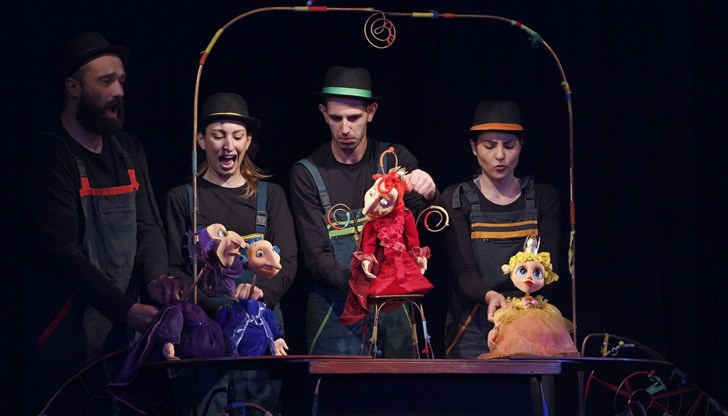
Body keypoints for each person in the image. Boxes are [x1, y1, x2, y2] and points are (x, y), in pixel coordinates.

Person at [22, 32, 188, 415]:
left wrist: (156, 279)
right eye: (106, 81)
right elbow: (62, 252)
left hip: (120, 330)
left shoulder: (128, 149)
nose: (119, 92)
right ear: (73, 87)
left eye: (122, 81)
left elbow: (148, 225)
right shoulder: (52, 153)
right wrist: (127, 309)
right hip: (68, 328)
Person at [289, 66, 438, 356]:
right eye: (336, 118)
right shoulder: (307, 172)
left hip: (394, 306)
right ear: (323, 113)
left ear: (371, 112)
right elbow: (317, 257)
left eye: (354, 118)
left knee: (400, 383)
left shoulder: (395, 160)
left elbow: (423, 227)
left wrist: (431, 195)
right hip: (335, 311)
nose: (345, 128)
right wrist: (365, 287)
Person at [164, 92, 296, 414]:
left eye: (237, 136)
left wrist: (262, 293)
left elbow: (289, 262)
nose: (228, 145)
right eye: (218, 135)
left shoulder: (271, 196)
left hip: (258, 329)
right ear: (201, 140)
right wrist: (217, 306)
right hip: (204, 331)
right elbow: (175, 268)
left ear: (248, 141)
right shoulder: (183, 199)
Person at [443, 100, 562, 360]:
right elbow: (464, 272)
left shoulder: (543, 197)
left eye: (509, 145)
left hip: (531, 319)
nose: (500, 155)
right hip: (474, 322)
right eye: (489, 146)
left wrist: (519, 310)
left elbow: (550, 269)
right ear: (473, 147)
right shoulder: (457, 198)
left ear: (521, 146)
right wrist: (490, 297)